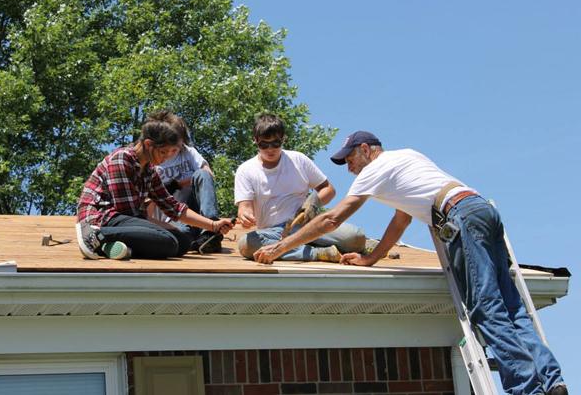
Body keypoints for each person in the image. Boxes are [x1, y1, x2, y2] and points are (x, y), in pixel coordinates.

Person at [252, 130, 567, 395]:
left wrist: (281, 247)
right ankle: (552, 381)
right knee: (511, 306)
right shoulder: (408, 157)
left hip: (461, 218)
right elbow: (401, 220)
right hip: (481, 208)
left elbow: (332, 218)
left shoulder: (375, 171)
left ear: (366, 150)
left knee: (487, 308)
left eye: (350, 160)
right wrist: (372, 258)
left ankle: (527, 389)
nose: (349, 168)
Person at [75, 111, 233, 260]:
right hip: (101, 218)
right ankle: (95, 234)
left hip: (124, 221)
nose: (167, 157)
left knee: (183, 243)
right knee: (168, 241)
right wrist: (164, 227)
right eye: (164, 152)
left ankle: (107, 245)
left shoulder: (149, 171)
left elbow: (173, 207)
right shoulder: (122, 159)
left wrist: (213, 225)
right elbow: (129, 213)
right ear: (149, 144)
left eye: (172, 152)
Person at [235, 114, 366, 262]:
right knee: (247, 244)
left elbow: (329, 190)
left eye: (276, 143)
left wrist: (313, 201)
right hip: (274, 233)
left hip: (308, 224)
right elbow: (244, 208)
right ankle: (319, 253)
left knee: (356, 238)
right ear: (255, 141)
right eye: (264, 144)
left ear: (284, 139)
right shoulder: (246, 170)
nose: (270, 149)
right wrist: (245, 216)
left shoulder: (298, 160)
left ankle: (307, 247)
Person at [147, 111, 223, 253]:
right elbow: (151, 199)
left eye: (180, 140)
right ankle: (196, 241)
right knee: (181, 239)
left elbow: (208, 175)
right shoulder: (156, 161)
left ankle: (211, 231)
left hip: (197, 213)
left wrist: (180, 183)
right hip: (174, 218)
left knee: (202, 174)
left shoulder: (189, 152)